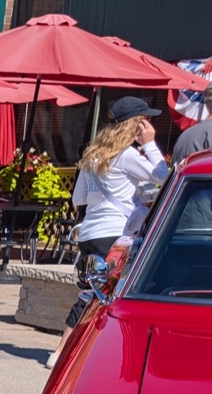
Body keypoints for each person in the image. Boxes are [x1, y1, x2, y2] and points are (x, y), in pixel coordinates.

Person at [71, 96, 168, 281]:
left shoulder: (93, 154)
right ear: (137, 124)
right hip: (114, 233)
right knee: (111, 293)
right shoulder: (126, 155)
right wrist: (149, 144)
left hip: (88, 235)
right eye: (147, 120)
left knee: (92, 295)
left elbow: (78, 199)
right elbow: (163, 176)